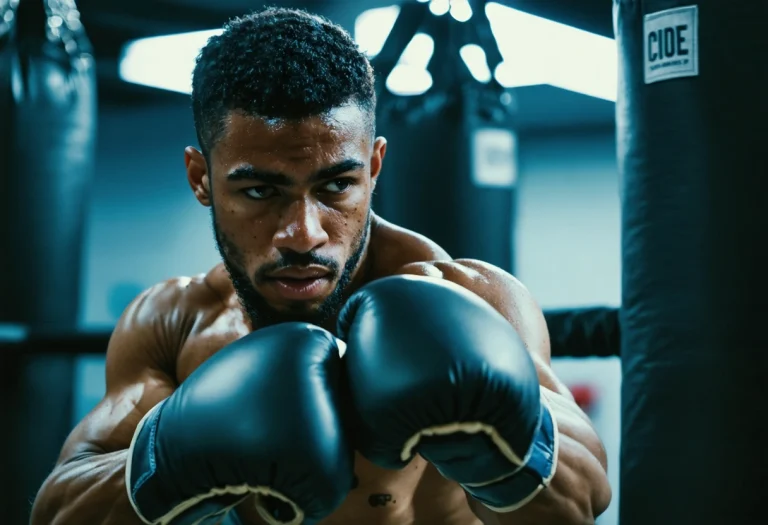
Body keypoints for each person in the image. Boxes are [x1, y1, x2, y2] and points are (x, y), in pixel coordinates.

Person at [30, 8, 611, 525]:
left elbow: (584, 500)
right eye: (260, 191)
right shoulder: (175, 323)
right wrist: (172, 458)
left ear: (374, 167)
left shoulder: (474, 299)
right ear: (200, 178)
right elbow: (59, 510)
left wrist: (504, 442)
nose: (304, 234)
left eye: (336, 186)